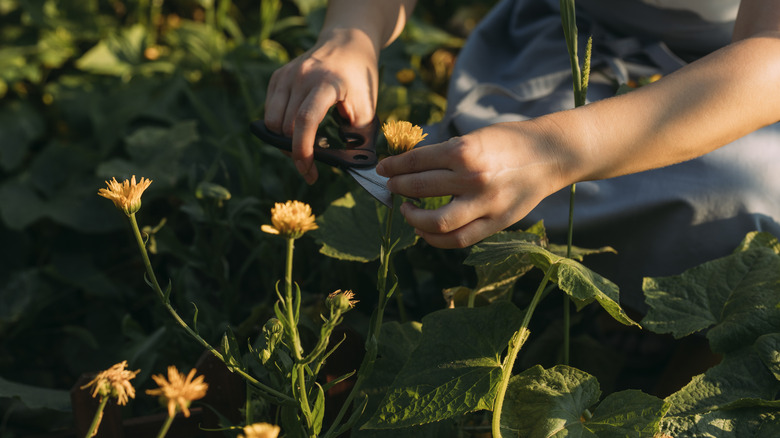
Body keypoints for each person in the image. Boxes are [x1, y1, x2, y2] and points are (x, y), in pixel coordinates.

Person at [264, 0, 780, 314]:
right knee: (479, 161)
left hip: (743, 85)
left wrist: (554, 149)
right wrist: (350, 37)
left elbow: (770, 56)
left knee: (740, 198)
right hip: (566, 47)